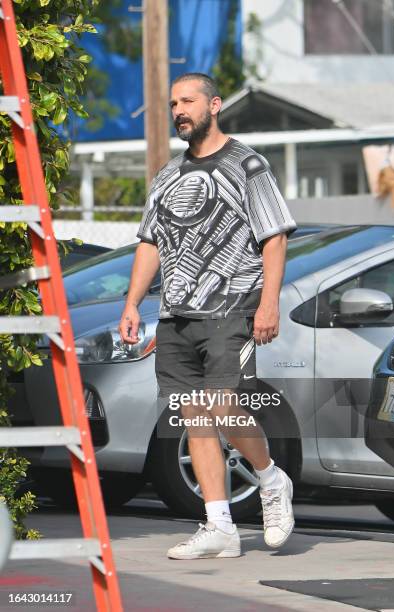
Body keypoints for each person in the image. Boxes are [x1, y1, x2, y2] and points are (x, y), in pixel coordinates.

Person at [119, 72, 297, 560]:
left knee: (222, 405)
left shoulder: (247, 163)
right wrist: (133, 302)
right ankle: (219, 525)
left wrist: (269, 302)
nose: (179, 110)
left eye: (188, 101)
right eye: (173, 103)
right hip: (176, 313)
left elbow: (274, 237)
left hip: (233, 306)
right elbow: (151, 243)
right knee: (194, 415)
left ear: (214, 105)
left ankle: (270, 479)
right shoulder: (167, 174)